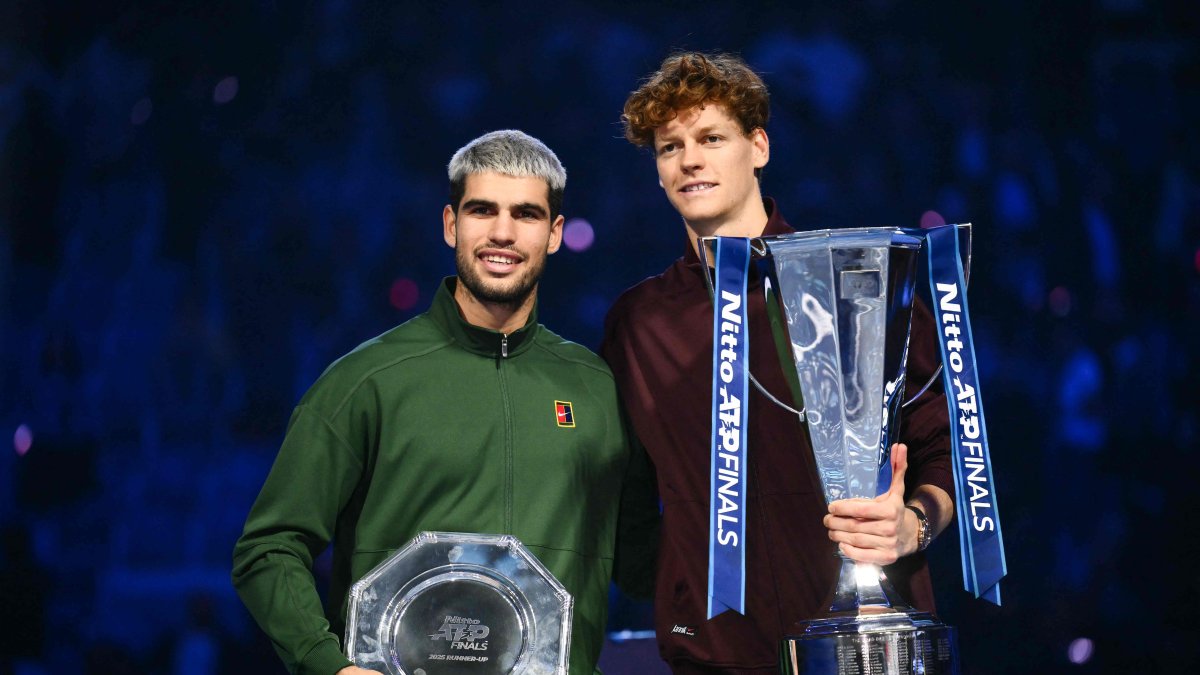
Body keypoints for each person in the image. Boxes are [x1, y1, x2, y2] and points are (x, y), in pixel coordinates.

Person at [233, 129, 657, 675]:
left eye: (526, 214)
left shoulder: (598, 390)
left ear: (553, 234)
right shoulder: (368, 380)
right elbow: (269, 546)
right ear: (451, 224)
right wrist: (326, 664)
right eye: (483, 210)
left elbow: (646, 562)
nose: (502, 233)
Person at [601, 52, 955, 673]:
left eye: (711, 137)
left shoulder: (857, 284)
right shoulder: (640, 322)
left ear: (758, 147)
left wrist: (912, 526)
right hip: (714, 655)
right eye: (669, 147)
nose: (689, 160)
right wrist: (681, 591)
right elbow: (625, 499)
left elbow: (944, 451)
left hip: (866, 645)